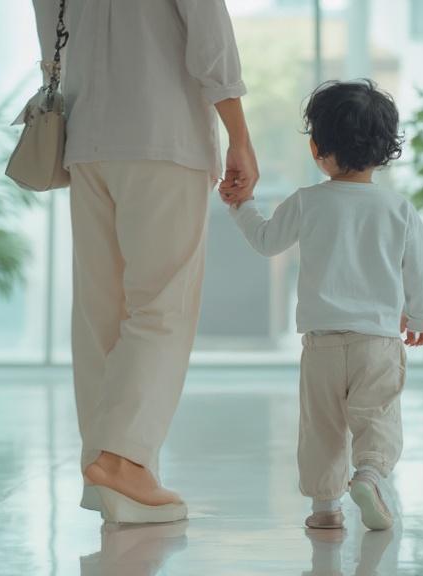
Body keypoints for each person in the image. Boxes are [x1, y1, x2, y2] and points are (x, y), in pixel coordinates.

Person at [32, 0, 258, 524]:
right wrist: (239, 136)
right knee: (162, 307)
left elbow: (53, 49)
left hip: (86, 141)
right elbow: (210, 38)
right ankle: (124, 462)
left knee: (99, 315)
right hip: (164, 134)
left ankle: (108, 472)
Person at [225, 80, 423, 531]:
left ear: (317, 148)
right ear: (386, 150)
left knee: (321, 427)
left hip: (321, 344)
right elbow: (420, 267)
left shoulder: (307, 201)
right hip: (377, 342)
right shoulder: (398, 208)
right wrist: (420, 316)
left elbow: (265, 242)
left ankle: (325, 509)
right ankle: (371, 474)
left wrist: (241, 206)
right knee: (376, 417)